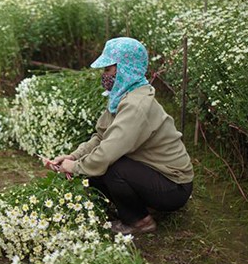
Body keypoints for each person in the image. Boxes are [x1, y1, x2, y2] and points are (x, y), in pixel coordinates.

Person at [43, 37, 193, 235]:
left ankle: (140, 221)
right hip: (153, 173)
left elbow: (107, 152)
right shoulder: (123, 96)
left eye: (108, 69)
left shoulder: (135, 105)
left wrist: (76, 168)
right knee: (94, 173)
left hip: (174, 184)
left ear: (125, 69)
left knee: (112, 167)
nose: (104, 75)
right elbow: (101, 137)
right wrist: (73, 157)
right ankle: (135, 206)